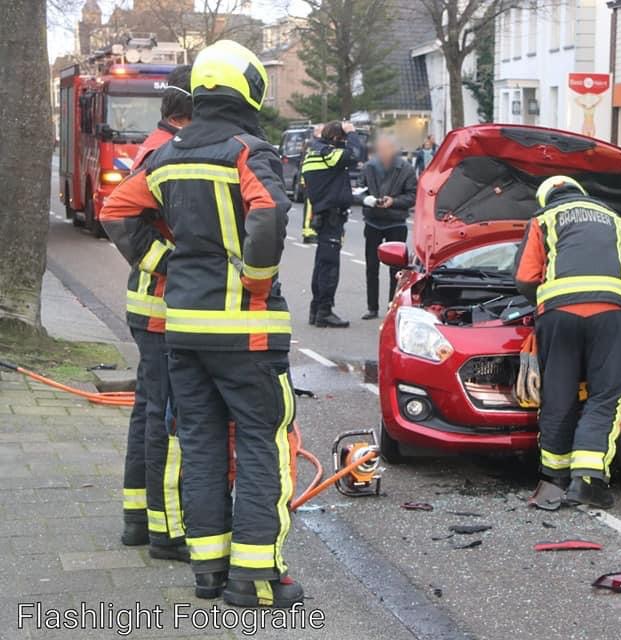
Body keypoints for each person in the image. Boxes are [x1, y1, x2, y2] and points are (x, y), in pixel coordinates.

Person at [101, 40, 302, 609]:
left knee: (202, 445)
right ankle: (256, 579)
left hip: (183, 331)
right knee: (265, 442)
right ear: (250, 89)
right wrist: (256, 281)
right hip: (245, 331)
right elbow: (268, 211)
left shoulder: (166, 154)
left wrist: (167, 266)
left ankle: (208, 572)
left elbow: (117, 210)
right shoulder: (248, 151)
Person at [514, 176, 621, 509]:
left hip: (558, 317)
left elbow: (525, 278)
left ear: (547, 199)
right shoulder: (615, 220)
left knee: (558, 393)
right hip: (610, 313)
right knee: (607, 393)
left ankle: (553, 479)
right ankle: (587, 482)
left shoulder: (543, 219)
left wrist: (546, 303)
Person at [120, 65, 191, 564]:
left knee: (149, 410)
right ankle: (165, 531)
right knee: (167, 417)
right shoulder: (165, 152)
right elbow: (119, 215)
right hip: (161, 304)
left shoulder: (157, 144)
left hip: (151, 304)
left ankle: (138, 520)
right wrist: (171, 265)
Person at [301, 121, 364, 328]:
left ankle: (315, 309)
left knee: (321, 264)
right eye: (342, 140)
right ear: (337, 139)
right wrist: (352, 133)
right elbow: (356, 154)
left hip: (323, 214)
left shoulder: (313, 153)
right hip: (331, 216)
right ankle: (324, 312)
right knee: (329, 267)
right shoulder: (328, 154)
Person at [359, 135, 418, 320]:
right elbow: (359, 190)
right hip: (373, 221)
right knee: (371, 266)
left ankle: (393, 305)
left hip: (396, 222)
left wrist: (394, 201)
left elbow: (413, 196)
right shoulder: (369, 167)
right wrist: (368, 200)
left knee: (396, 269)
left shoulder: (406, 169)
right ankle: (372, 307)